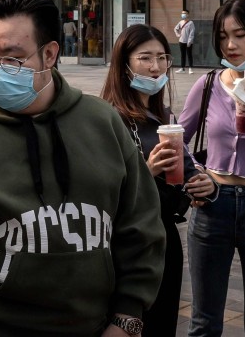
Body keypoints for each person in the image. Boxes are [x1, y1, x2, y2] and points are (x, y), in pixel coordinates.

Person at [0, 0, 165, 336]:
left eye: (14, 58)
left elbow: (140, 226)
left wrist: (126, 318)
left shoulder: (103, 123)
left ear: (49, 54)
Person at [100, 24, 218, 336]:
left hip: (163, 240)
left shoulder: (167, 118)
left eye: (163, 57)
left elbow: (190, 168)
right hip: (122, 244)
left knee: (163, 324)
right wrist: (146, 170)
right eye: (145, 58)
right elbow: (98, 190)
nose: (155, 67)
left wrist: (206, 186)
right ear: (124, 65)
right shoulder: (106, 119)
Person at [180, 0, 245, 336]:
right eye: (223, 36)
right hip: (213, 206)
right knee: (204, 321)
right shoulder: (208, 84)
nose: (231, 45)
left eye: (240, 35)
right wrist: (197, 175)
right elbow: (178, 140)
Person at [174, 8, 196, 74]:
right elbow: (175, 29)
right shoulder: (180, 22)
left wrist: (189, 41)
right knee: (182, 55)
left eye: (184, 13)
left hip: (188, 42)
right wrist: (178, 35)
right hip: (181, 41)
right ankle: (182, 68)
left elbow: (192, 32)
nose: (183, 14)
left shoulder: (191, 23)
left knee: (189, 55)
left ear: (188, 14)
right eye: (182, 13)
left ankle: (190, 68)